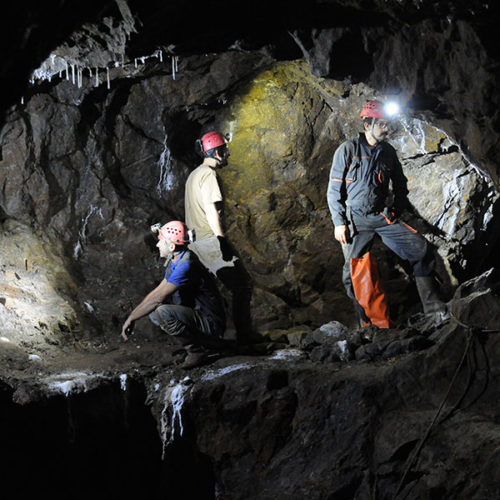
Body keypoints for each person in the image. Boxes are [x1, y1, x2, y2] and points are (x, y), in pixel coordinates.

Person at [327, 99, 447, 328]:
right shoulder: (348, 150)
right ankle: (370, 328)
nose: (387, 129)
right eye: (382, 124)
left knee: (420, 250)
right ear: (367, 124)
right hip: (354, 219)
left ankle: (435, 313)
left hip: (380, 216)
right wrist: (338, 222)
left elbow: (400, 185)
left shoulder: (388, 152)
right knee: (355, 272)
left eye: (388, 124)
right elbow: (334, 189)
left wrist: (395, 210)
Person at [120, 220, 226, 369]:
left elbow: (157, 299)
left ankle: (196, 351)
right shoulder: (177, 259)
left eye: (161, 241)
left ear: (171, 246)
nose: (157, 245)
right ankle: (203, 345)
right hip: (200, 316)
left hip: (211, 323)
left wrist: (132, 318)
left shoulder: (185, 265)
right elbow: (157, 291)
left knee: (161, 312)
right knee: (154, 311)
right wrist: (133, 315)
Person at [184, 131, 258, 344]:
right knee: (242, 285)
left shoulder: (194, 175)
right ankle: (244, 337)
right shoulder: (208, 175)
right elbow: (211, 211)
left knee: (212, 291)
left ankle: (213, 337)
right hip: (210, 242)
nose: (227, 154)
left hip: (196, 243)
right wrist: (221, 240)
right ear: (216, 152)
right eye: (224, 150)